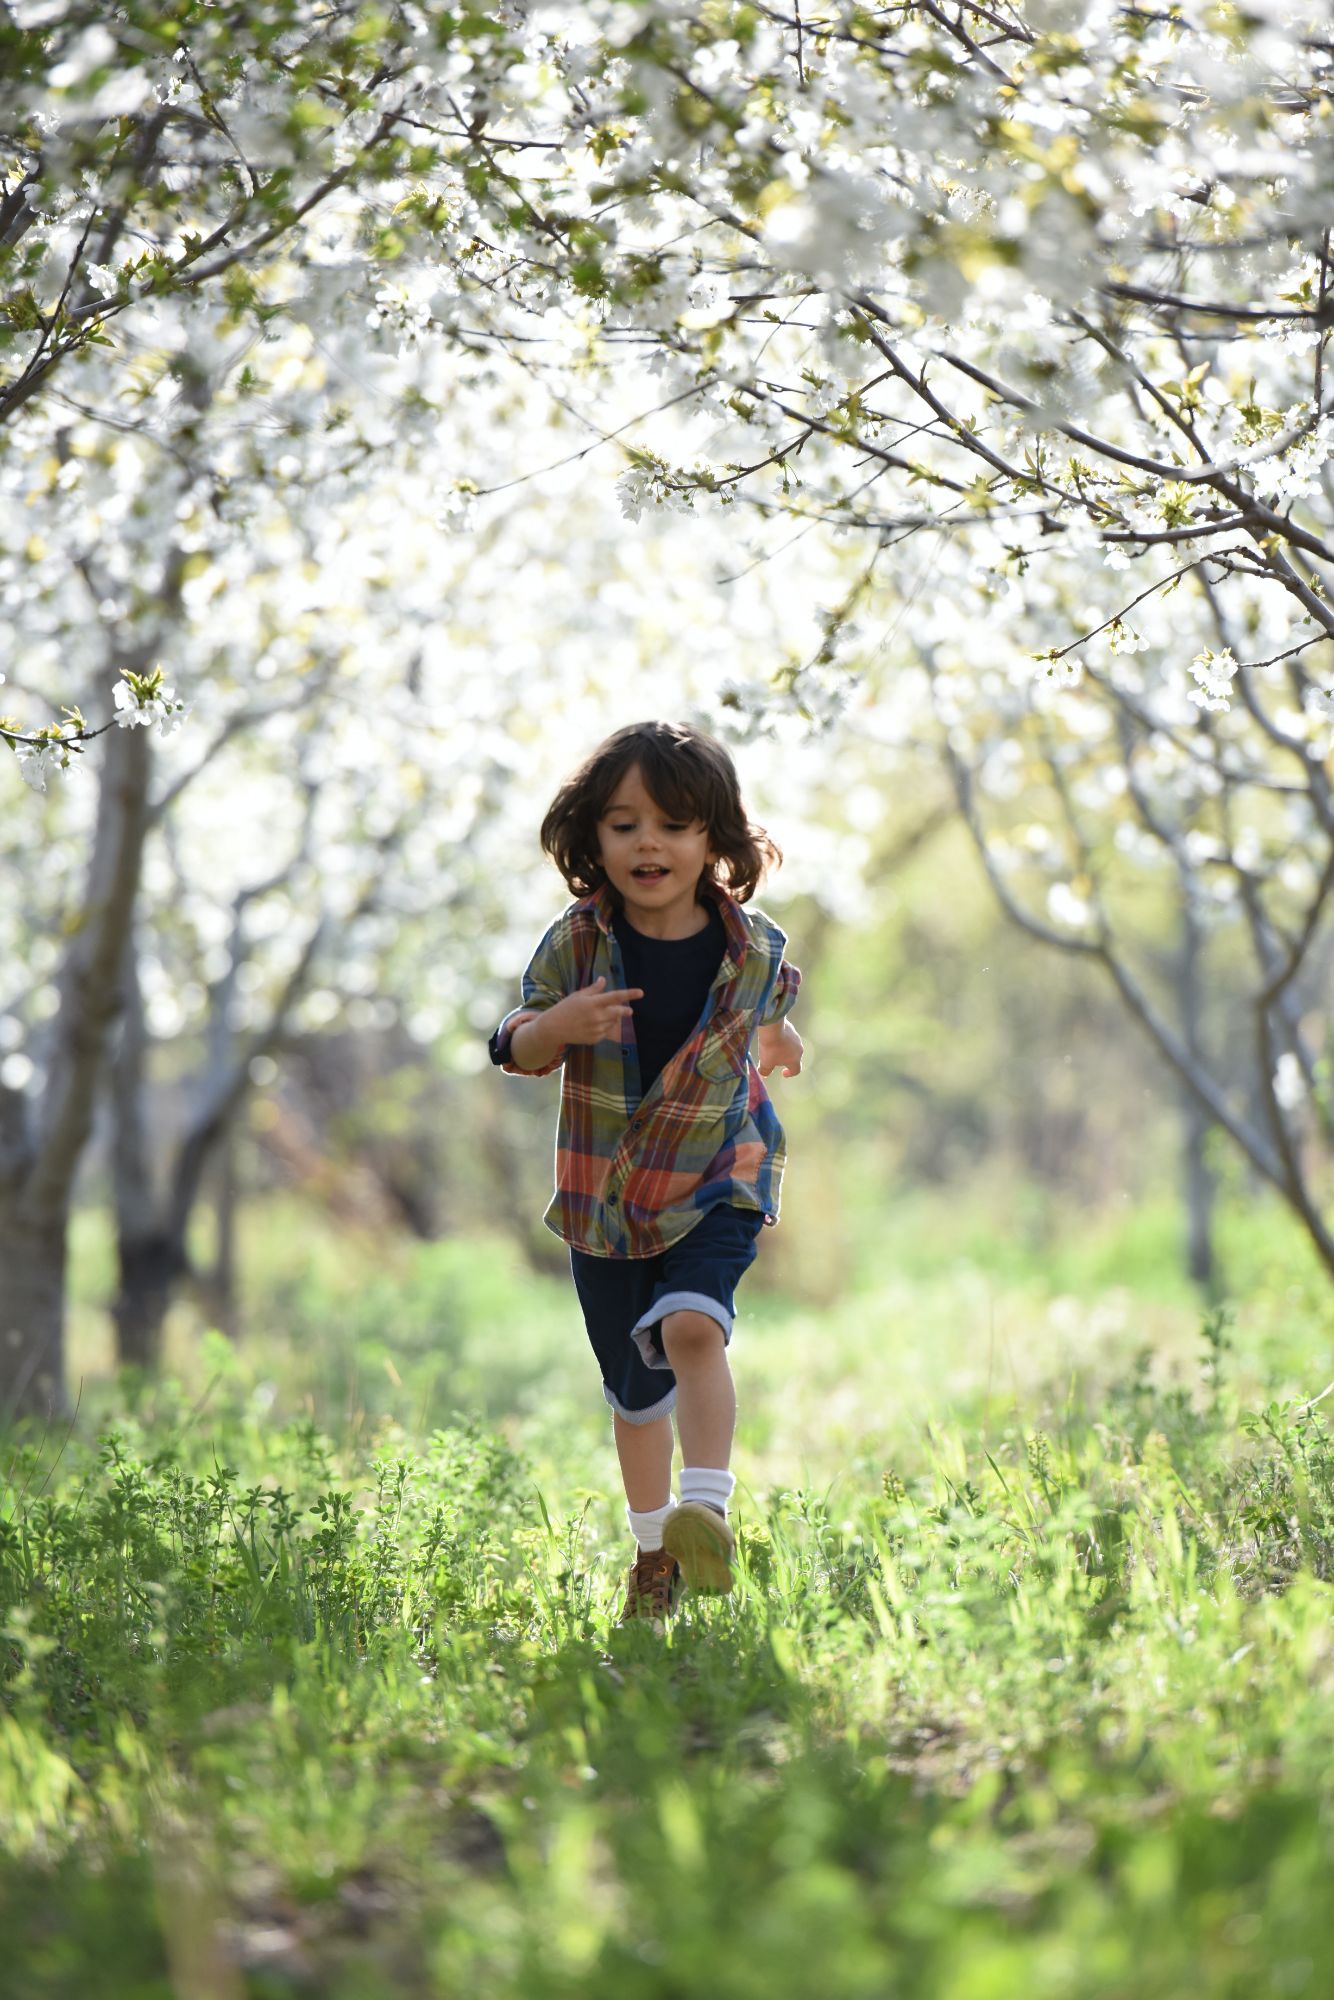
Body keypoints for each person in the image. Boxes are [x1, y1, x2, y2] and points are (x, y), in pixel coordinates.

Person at [488, 720, 804, 1626]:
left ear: (715, 841)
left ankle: (706, 1506)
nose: (648, 844)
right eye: (624, 826)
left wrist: (781, 1041)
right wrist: (555, 1030)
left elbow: (772, 1005)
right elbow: (512, 1039)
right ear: (592, 841)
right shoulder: (578, 946)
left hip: (720, 1172)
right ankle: (654, 1550)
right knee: (636, 1392)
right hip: (610, 1202)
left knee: (695, 1329)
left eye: (672, 824)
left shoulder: (753, 947)